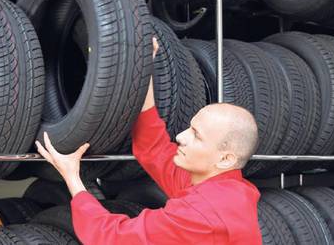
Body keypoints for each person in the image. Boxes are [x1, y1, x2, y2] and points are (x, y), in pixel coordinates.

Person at [35, 37, 262, 245]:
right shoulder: (221, 186)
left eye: (196, 135)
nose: (181, 137)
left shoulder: (201, 214)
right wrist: (145, 74)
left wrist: (71, 176)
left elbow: (112, 238)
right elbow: (154, 149)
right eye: (189, 128)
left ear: (225, 159)